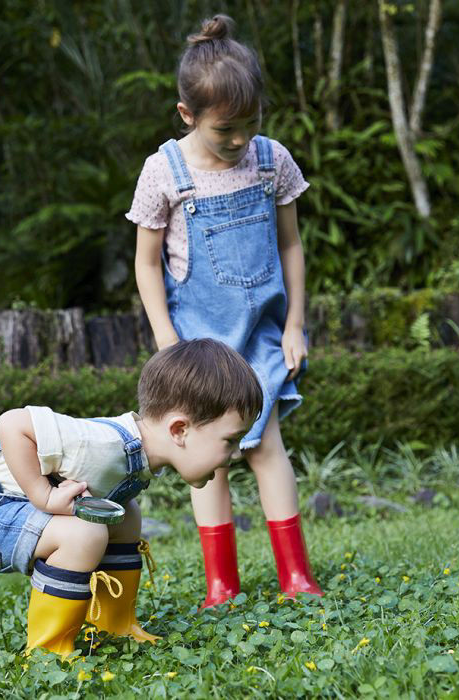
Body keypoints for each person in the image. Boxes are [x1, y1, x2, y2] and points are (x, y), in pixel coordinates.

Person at [127, 14, 323, 608]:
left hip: (261, 332)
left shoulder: (270, 161)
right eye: (224, 130)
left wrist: (294, 325)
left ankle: (294, 573)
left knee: (265, 447)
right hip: (197, 339)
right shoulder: (166, 170)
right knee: (208, 461)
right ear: (188, 116)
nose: (239, 139)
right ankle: (221, 582)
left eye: (251, 123)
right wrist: (167, 340)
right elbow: (146, 264)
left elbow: (291, 244)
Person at [0, 339, 263, 657]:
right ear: (179, 430)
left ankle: (114, 623)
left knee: (126, 514)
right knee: (86, 533)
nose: (236, 454)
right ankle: (47, 652)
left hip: (1, 509)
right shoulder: (102, 445)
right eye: (230, 440)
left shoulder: (139, 455)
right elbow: (11, 423)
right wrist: (44, 496)